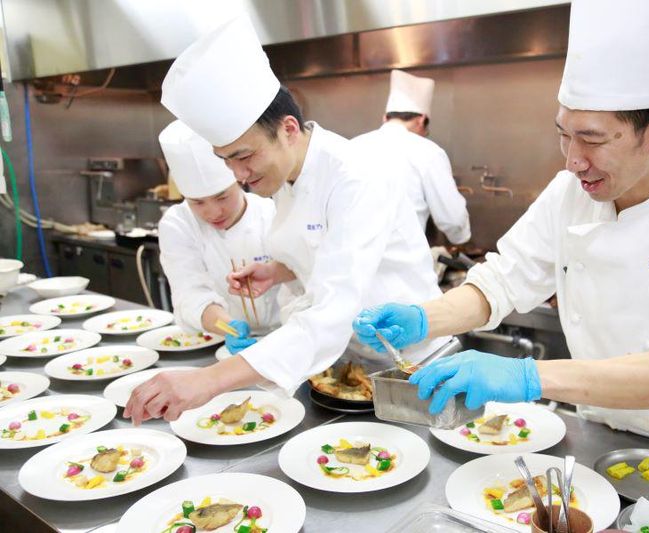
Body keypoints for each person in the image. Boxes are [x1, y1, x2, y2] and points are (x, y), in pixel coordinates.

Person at [352, 0, 649, 457]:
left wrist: (528, 377)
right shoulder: (570, 194)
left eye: (592, 139)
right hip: (593, 441)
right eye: (564, 134)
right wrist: (425, 318)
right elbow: (502, 281)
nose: (573, 161)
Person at [124, 15, 448, 425]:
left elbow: (333, 308)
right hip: (349, 362)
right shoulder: (285, 176)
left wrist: (208, 380)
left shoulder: (357, 175)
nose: (239, 175)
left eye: (244, 156)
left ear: (289, 129)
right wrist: (280, 270)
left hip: (410, 365)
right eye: (227, 161)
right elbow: (320, 250)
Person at [158, 120, 280, 346]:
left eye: (222, 197)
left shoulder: (272, 213)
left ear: (239, 181)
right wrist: (228, 327)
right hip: (219, 339)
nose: (213, 212)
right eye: (197, 202)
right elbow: (190, 293)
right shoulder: (178, 223)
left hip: (283, 337)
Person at [352, 70, 471, 245]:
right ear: (421, 120)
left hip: (352, 258)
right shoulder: (428, 152)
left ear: (385, 118)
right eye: (425, 131)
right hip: (403, 259)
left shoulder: (352, 147)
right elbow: (453, 219)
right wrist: (461, 237)